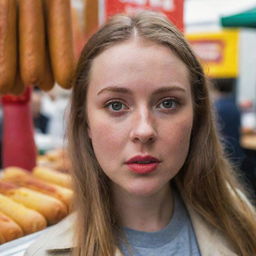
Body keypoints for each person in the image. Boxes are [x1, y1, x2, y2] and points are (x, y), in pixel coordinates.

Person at [25, 11, 256, 256]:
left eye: (168, 103)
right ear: (85, 122)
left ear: (197, 116)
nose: (144, 130)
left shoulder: (241, 222)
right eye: (116, 105)